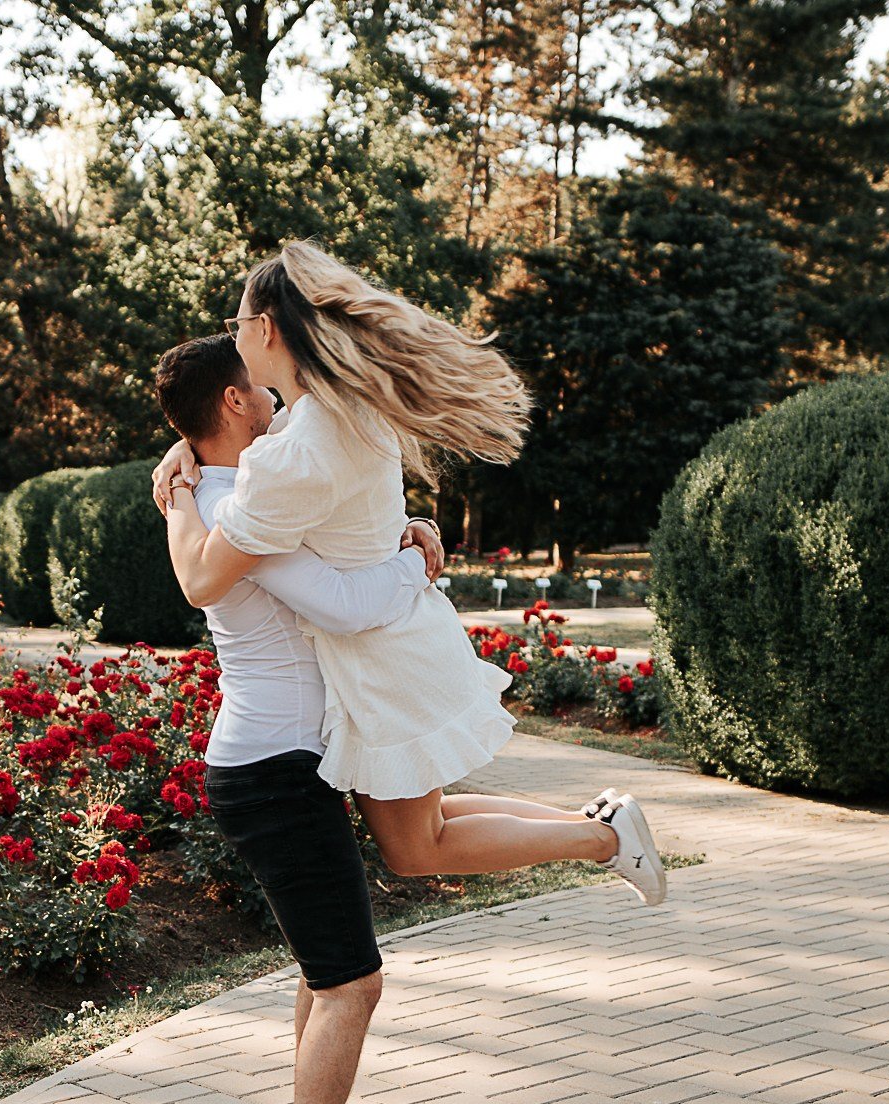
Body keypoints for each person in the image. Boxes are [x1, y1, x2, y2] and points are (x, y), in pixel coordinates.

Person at [155, 241, 666, 905]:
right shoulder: (337, 408)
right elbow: (289, 472)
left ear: (268, 329)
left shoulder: (296, 447)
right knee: (422, 829)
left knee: (417, 845)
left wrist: (181, 493)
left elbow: (203, 579)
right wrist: (184, 446)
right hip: (396, 643)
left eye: (237, 323)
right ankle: (600, 824)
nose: (235, 335)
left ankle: (602, 838)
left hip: (378, 654)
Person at [154, 334, 439, 1104]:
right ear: (235, 405)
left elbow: (333, 566)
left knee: (328, 979)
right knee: (354, 982)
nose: (276, 401)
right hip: (274, 771)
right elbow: (348, 608)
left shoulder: (207, 493)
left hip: (274, 763)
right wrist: (421, 563)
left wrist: (390, 540)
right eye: (261, 393)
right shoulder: (240, 508)